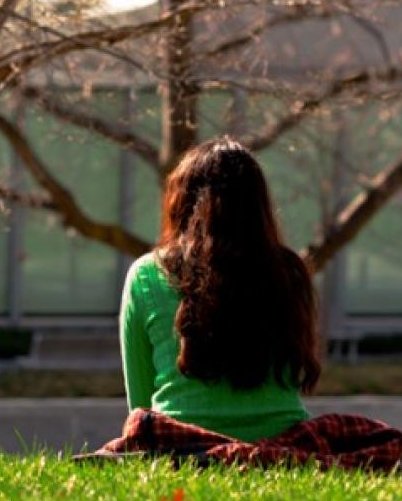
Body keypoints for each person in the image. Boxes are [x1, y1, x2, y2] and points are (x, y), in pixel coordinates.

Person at [119, 137, 322, 442]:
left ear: (180, 202)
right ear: (258, 205)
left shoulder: (146, 274)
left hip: (179, 443)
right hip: (285, 442)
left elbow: (140, 404)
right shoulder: (290, 271)